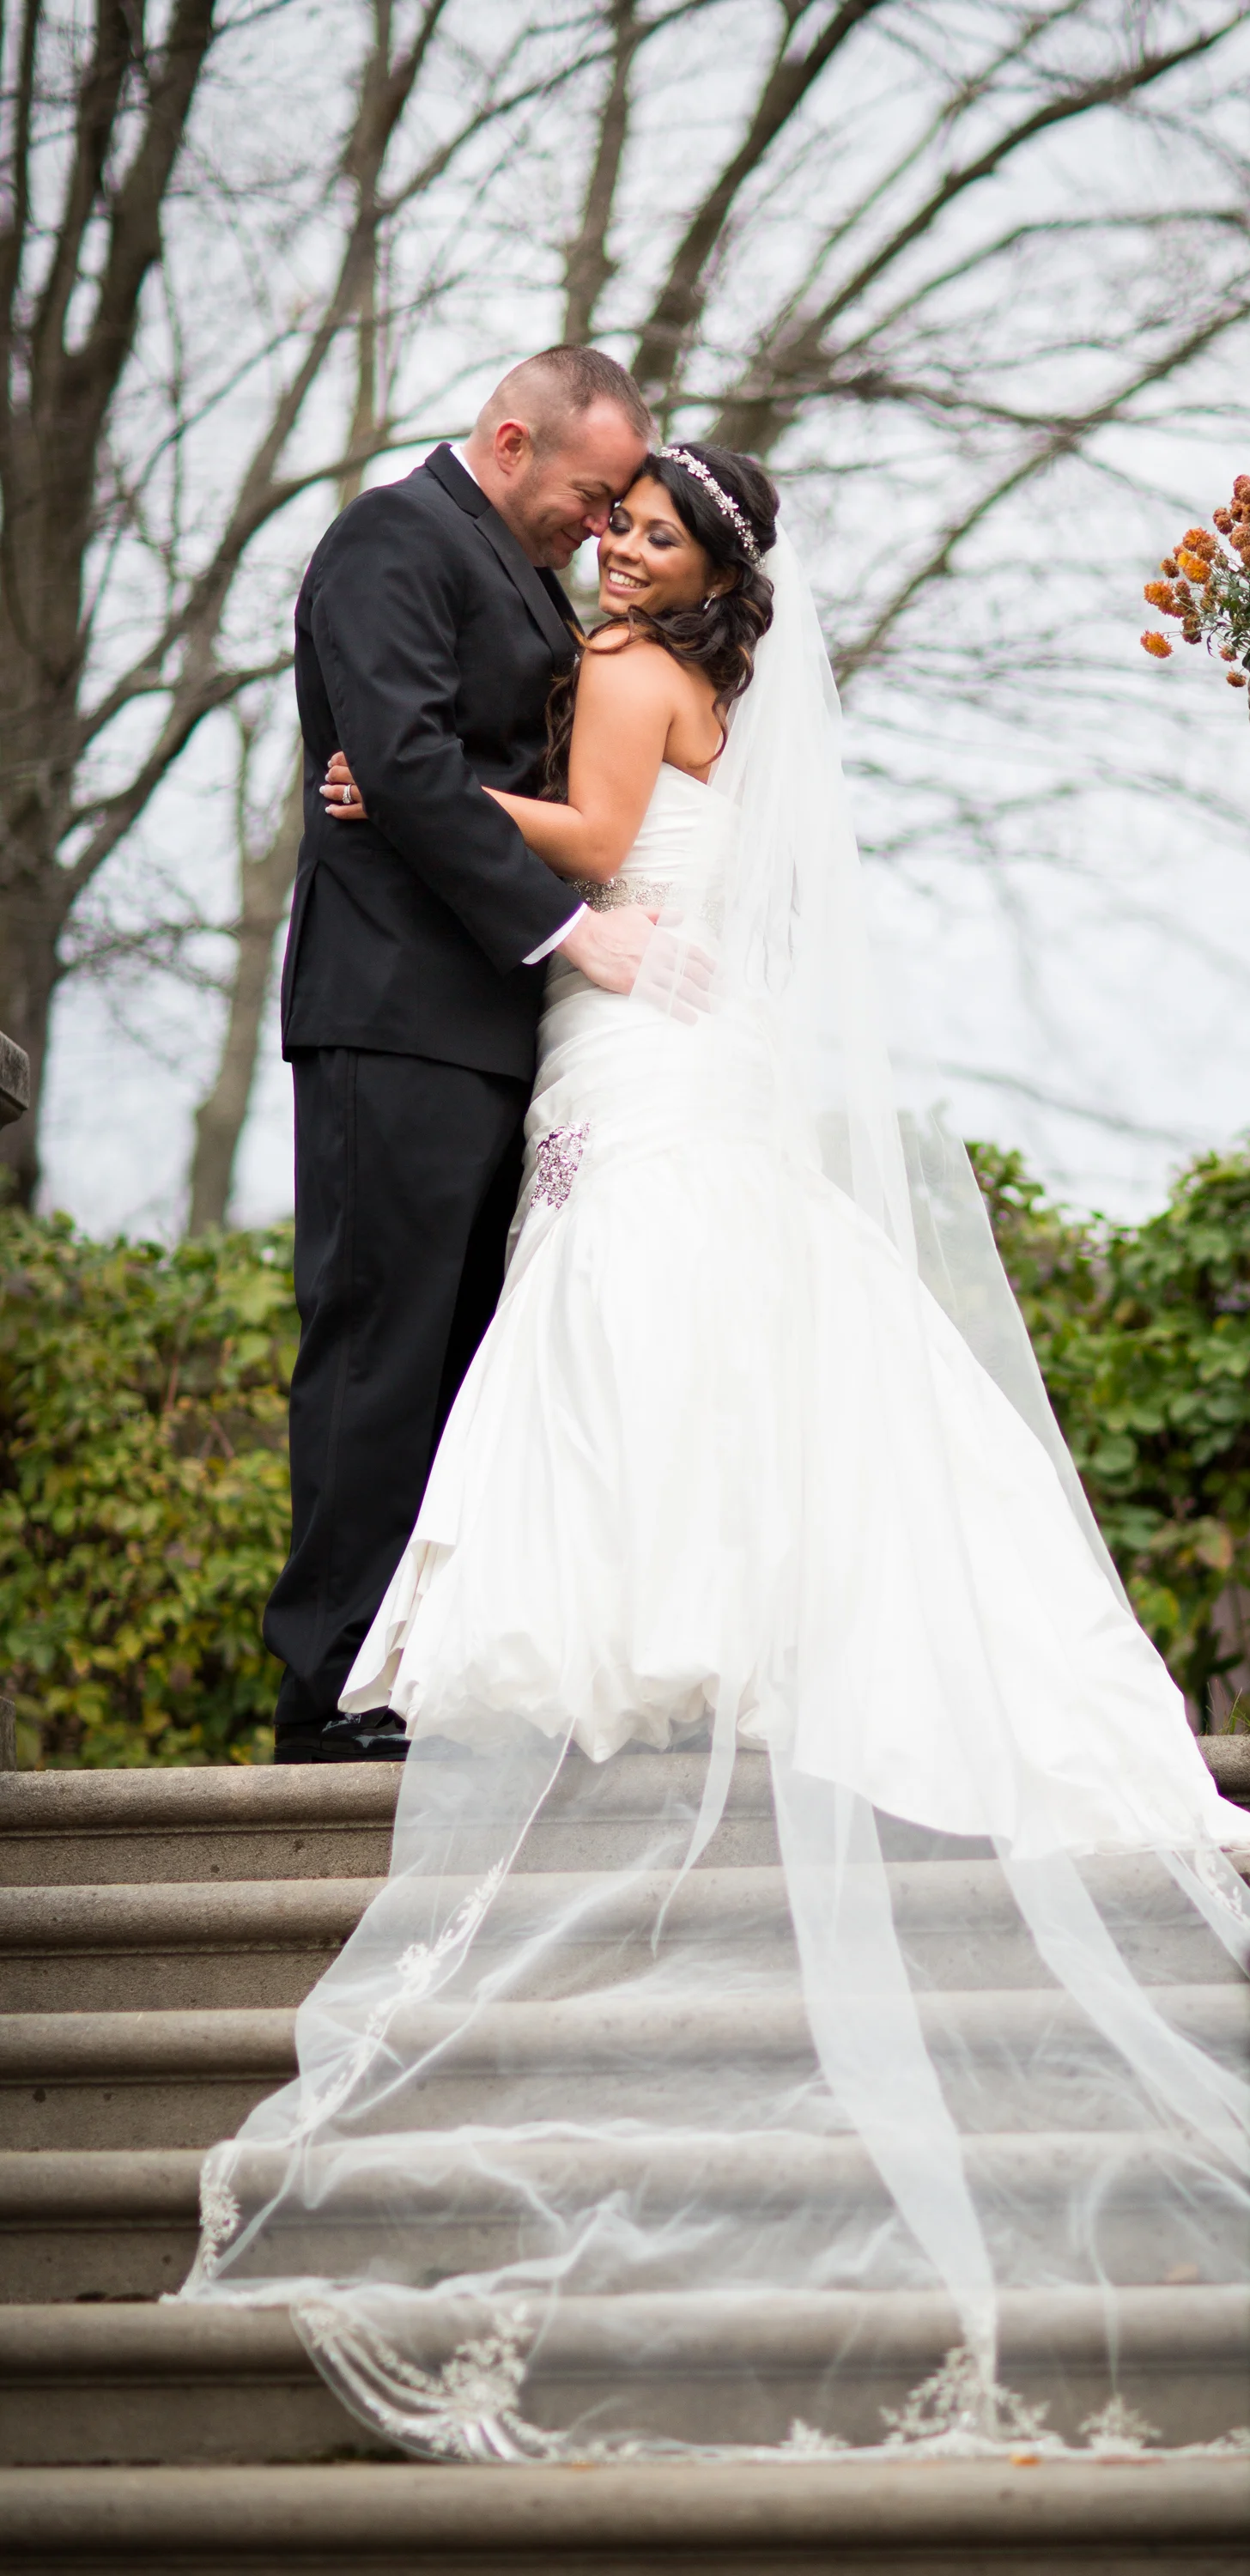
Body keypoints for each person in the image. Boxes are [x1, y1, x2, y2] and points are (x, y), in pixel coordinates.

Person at [181, 446, 1250, 2461]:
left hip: (638, 1041)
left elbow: (599, 833)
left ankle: (674, 1624)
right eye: (614, 523)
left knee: (645, 1314)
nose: (614, 548)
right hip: (659, 1043)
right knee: (712, 1324)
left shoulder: (627, 683)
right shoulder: (682, 672)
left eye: (648, 533)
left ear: (698, 569)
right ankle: (719, 1605)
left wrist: (414, 795)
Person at [268, 347, 659, 1764]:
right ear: (511, 441)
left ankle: (418, 1671)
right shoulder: (391, 539)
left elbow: (461, 773)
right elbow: (408, 763)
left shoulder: (519, 575)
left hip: (494, 1036)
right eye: (591, 492)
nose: (602, 527)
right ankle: (325, 1694)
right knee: (378, 1350)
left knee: (459, 1365)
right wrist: (568, 932)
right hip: (394, 1017)